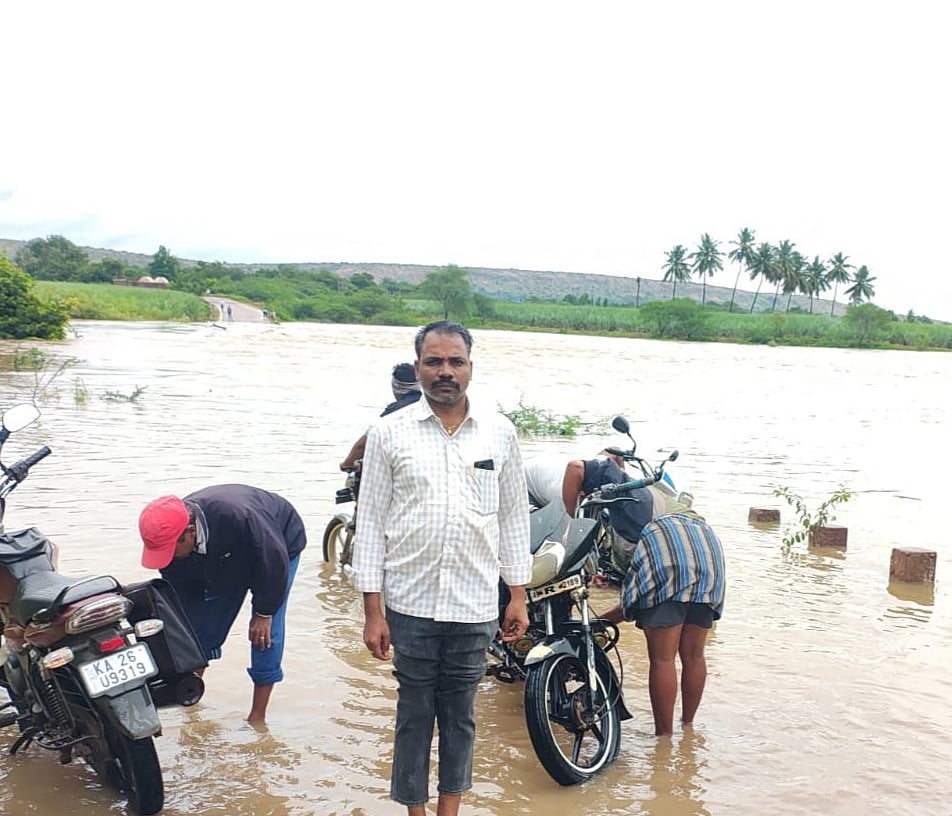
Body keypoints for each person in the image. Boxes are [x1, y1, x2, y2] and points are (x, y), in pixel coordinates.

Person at [351, 320, 531, 816]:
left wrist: (518, 595)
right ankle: (415, 810)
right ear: (418, 368)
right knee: (413, 714)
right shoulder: (388, 433)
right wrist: (372, 611)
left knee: (460, 716)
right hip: (409, 604)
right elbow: (371, 522)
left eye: (456, 361)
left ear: (471, 367)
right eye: (434, 362)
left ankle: (449, 810)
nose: (445, 371)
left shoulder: (499, 432)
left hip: (475, 603)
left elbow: (513, 517)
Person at [137, 484, 307, 723]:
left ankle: (257, 717)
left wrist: (264, 612)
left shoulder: (240, 517)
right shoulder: (172, 544)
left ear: (190, 532)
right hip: (223, 557)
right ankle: (190, 700)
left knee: (264, 634)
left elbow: (273, 564)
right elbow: (185, 598)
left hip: (277, 548)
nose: (168, 559)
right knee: (199, 630)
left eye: (170, 551)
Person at [599, 512, 725, 737]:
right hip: (710, 574)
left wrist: (598, 623)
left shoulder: (646, 530)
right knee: (694, 656)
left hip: (670, 571)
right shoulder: (694, 522)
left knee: (663, 660)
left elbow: (633, 597)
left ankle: (664, 737)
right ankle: (688, 726)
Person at [339, 362, 422, 471]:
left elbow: (365, 443)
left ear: (396, 387)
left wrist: (348, 463)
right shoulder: (432, 404)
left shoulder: (394, 412)